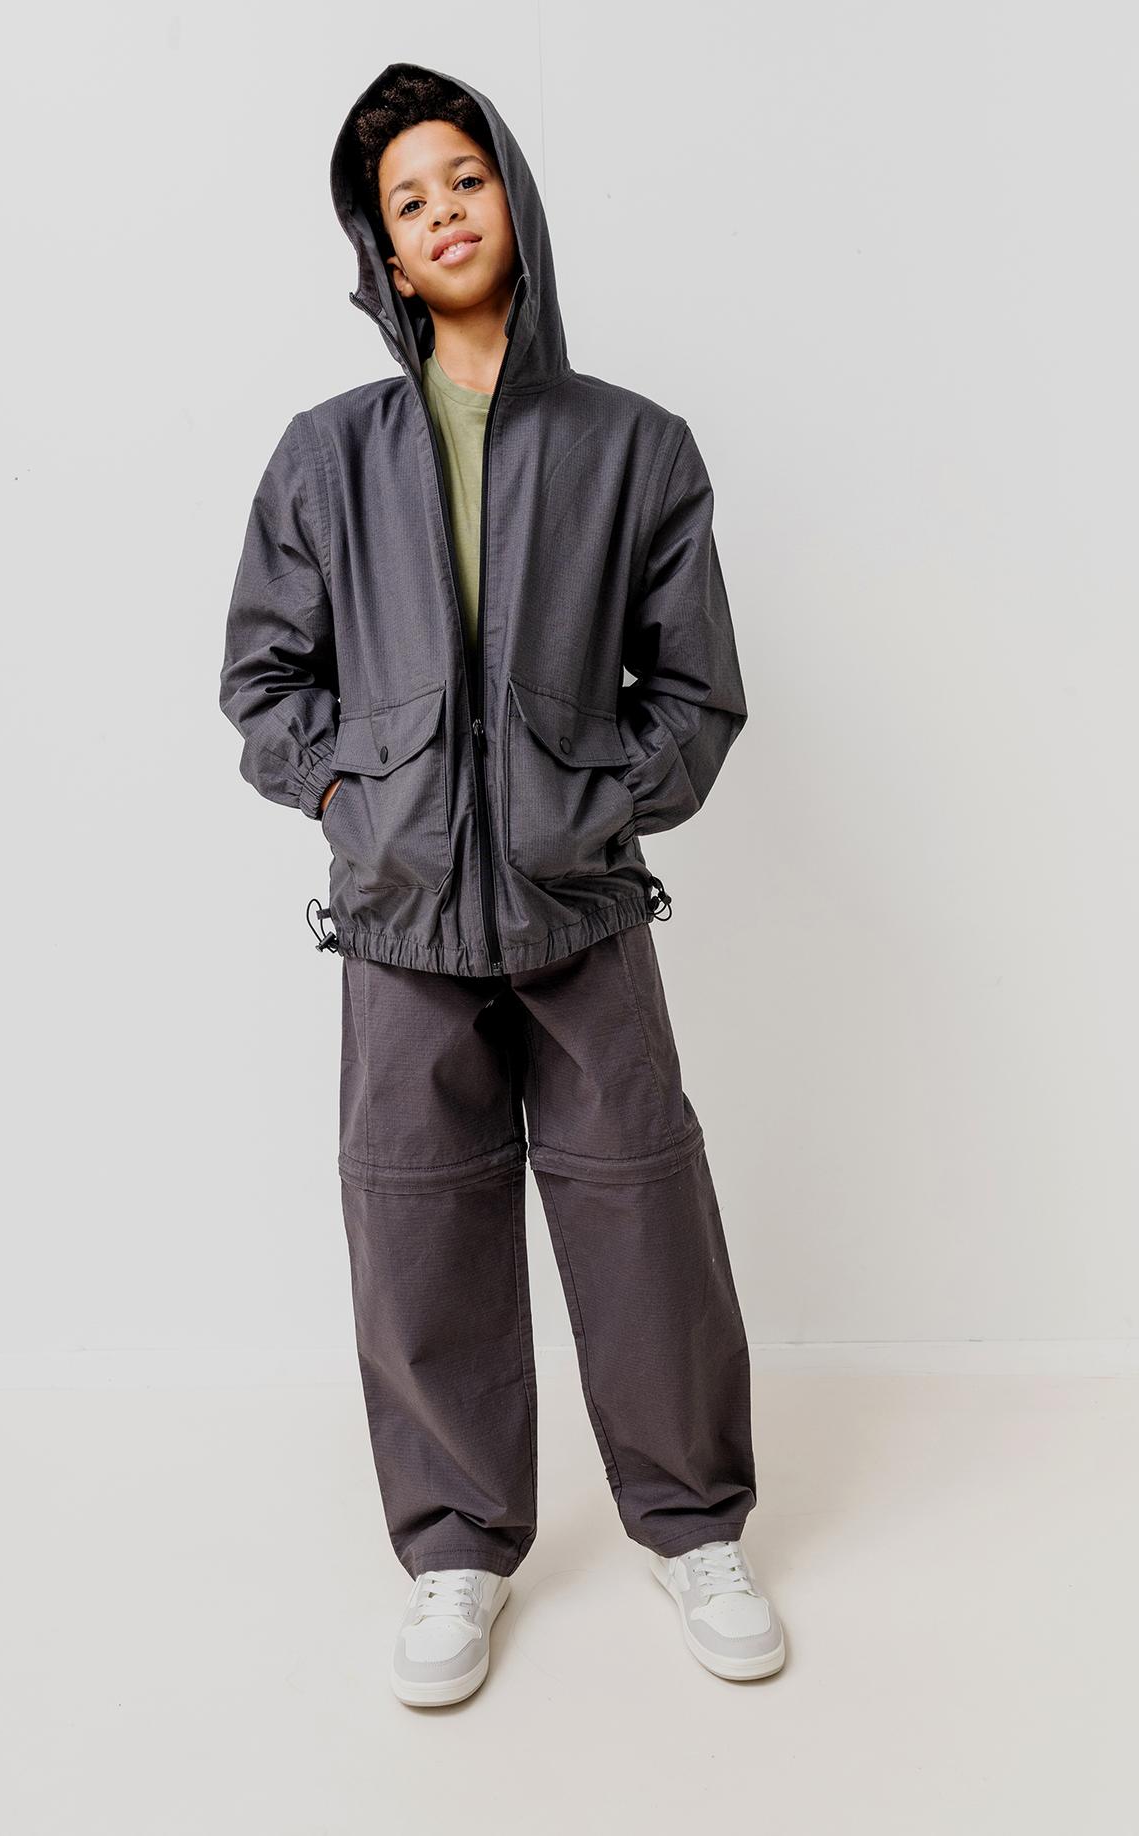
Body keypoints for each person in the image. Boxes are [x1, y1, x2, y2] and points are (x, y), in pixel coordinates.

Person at [219, 61, 784, 1704]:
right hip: (397, 924)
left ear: (512, 203)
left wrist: (589, 812)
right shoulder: (325, 457)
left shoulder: (632, 447)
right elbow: (265, 685)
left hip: (580, 912)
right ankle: (456, 1550)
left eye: (463, 178)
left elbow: (695, 695)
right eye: (408, 200)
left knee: (642, 1217)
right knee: (417, 1231)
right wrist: (354, 798)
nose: (442, 211)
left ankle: (692, 1526)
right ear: (384, 256)